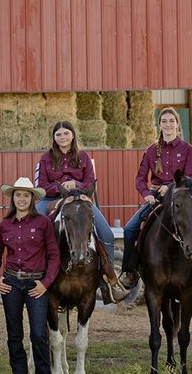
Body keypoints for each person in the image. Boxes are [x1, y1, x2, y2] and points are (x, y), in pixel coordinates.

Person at [119, 107, 192, 289]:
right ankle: (129, 272)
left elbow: (190, 176)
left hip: (182, 197)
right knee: (129, 229)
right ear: (159, 125)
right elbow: (140, 178)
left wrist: (171, 187)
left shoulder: (186, 149)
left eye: (171, 121)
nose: (168, 124)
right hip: (156, 198)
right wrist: (146, 195)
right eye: (164, 121)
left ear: (177, 124)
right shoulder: (151, 150)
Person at [34, 120, 128, 303]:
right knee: (35, 228)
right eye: (58, 134)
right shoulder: (45, 158)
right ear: (54, 137)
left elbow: (90, 181)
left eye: (66, 133)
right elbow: (41, 186)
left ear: (73, 135)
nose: (62, 137)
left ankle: (109, 279)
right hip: (51, 199)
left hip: (81, 200)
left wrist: (76, 185)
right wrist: (61, 189)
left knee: (106, 234)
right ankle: (35, 274)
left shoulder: (83, 157)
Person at [0, 177, 60, 374]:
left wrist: (45, 284)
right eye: (17, 195)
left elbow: (54, 256)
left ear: (32, 199)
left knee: (38, 333)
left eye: (25, 195)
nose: (21, 199)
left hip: (36, 285)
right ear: (13, 198)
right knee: (14, 333)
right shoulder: (5, 225)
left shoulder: (43, 223)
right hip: (11, 283)